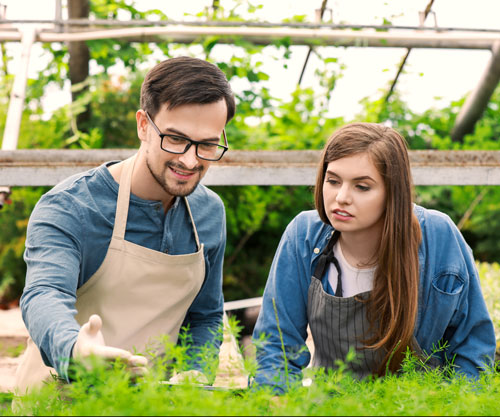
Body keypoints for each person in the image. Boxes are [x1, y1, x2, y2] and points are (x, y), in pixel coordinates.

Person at [15, 56, 235, 393]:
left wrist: (195, 371)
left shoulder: (209, 213)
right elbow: (44, 295)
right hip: (61, 398)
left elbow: (205, 315)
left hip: (150, 402)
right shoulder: (71, 206)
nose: (191, 160)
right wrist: (77, 350)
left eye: (206, 144)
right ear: (143, 125)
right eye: (175, 139)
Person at [252, 122, 496, 393]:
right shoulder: (304, 236)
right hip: (333, 406)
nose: (341, 197)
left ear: (393, 192)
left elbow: (472, 348)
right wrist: (274, 401)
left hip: (421, 406)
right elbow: (277, 346)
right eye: (333, 181)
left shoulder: (439, 237)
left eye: (362, 187)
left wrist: (456, 407)